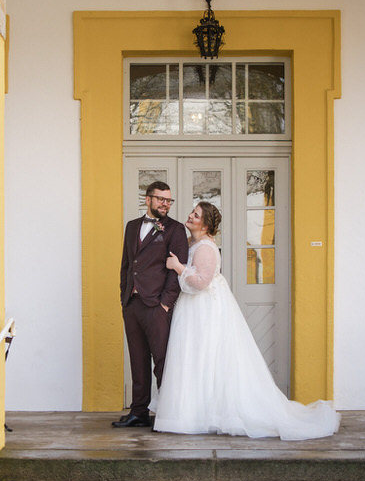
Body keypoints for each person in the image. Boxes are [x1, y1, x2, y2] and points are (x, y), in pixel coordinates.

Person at [155, 202, 339, 440]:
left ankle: (209, 413)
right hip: (192, 309)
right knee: (194, 356)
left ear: (206, 224)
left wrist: (178, 267)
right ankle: (196, 411)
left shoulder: (206, 248)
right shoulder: (193, 244)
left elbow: (201, 282)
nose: (190, 216)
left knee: (207, 355)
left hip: (204, 309)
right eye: (192, 212)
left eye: (196, 214)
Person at [115, 181, 189, 428]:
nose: (165, 204)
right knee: (137, 359)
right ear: (147, 200)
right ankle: (139, 412)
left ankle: (168, 413)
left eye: (169, 200)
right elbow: (127, 264)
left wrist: (165, 304)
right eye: (161, 199)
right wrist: (124, 296)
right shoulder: (132, 226)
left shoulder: (175, 230)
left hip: (156, 305)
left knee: (162, 361)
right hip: (132, 303)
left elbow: (176, 271)